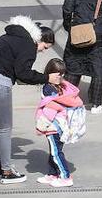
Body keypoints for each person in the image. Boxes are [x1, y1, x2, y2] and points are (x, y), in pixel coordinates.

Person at [0, 18, 54, 184]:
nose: (42, 51)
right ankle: (7, 171)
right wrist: (47, 78)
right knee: (4, 129)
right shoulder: (28, 45)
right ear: (39, 39)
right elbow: (23, 73)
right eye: (44, 47)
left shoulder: (5, 37)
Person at [35, 58, 81, 187]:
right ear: (49, 72)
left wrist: (41, 125)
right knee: (54, 150)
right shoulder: (62, 87)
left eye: (61, 73)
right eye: (57, 73)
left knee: (56, 152)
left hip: (53, 126)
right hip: (62, 125)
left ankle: (65, 176)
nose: (59, 76)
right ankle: (52, 173)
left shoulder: (49, 89)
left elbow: (51, 108)